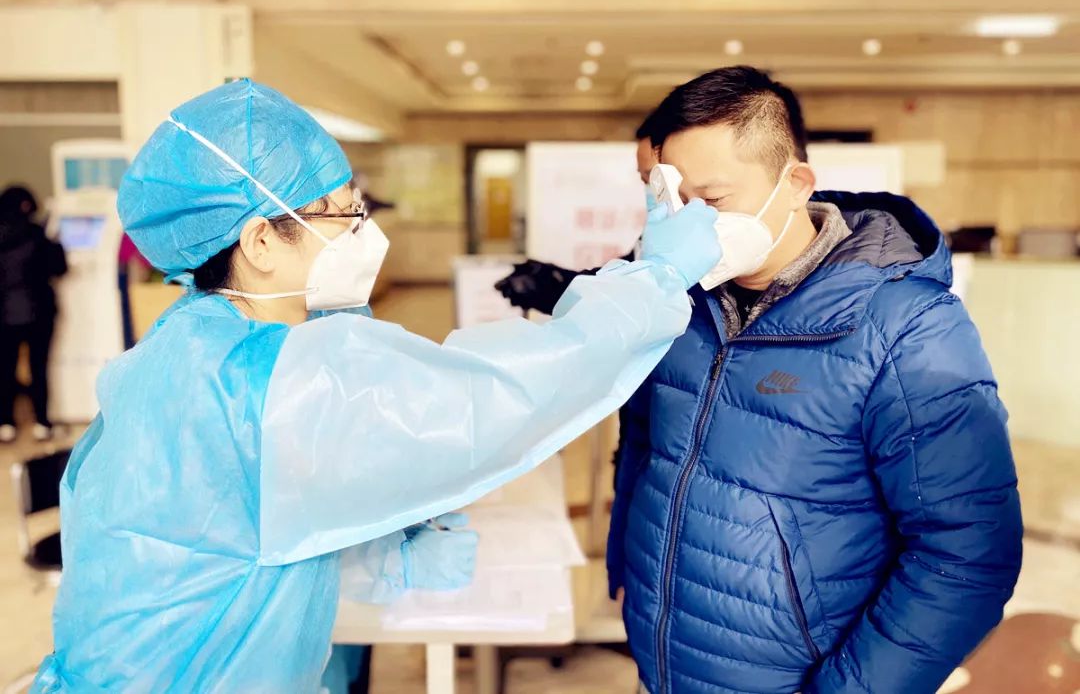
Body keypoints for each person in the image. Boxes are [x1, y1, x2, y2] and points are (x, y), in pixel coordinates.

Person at [32, 79, 722, 693]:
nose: (364, 233)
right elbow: (491, 397)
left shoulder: (184, 346)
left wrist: (375, 552)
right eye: (341, 215)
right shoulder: (268, 380)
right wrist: (654, 281)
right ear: (261, 243)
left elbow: (216, 536)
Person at [606, 67, 1023, 694]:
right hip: (664, 662)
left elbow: (967, 553)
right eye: (675, 205)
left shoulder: (906, 328)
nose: (689, 228)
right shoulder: (676, 302)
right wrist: (627, 567)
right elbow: (646, 448)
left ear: (795, 185)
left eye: (713, 202)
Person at [495, 113, 659, 314]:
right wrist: (552, 282)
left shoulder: (686, 242)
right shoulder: (652, 236)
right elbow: (615, 282)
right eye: (643, 179)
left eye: (652, 176)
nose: (648, 187)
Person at [0, 185, 67, 443]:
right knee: (39, 368)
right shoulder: (39, 235)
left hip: (4, 317)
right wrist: (57, 241)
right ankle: (42, 422)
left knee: (5, 369)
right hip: (39, 313)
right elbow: (59, 268)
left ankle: (6, 423)